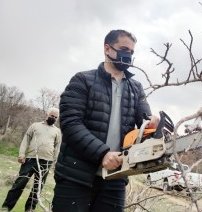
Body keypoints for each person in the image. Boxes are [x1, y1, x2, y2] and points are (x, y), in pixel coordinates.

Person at [52, 29, 159, 212]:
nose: (128, 55)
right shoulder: (82, 80)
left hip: (115, 176)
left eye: (132, 52)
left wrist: (151, 124)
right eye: (124, 49)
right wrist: (102, 154)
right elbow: (71, 124)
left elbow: (143, 120)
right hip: (76, 175)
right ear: (107, 49)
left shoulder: (136, 88)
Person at [1, 107, 62, 212]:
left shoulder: (57, 131)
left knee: (38, 188)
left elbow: (57, 147)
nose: (53, 118)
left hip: (46, 162)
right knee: (19, 183)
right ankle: (6, 207)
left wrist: (56, 161)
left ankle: (30, 209)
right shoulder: (35, 126)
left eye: (55, 117)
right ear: (47, 114)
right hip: (30, 159)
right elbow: (26, 140)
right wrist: (21, 154)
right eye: (52, 116)